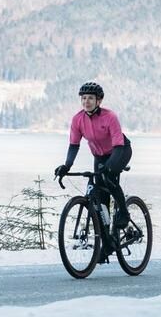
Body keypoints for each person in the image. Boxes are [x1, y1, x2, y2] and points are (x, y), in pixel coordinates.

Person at [54, 82, 133, 254]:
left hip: (120, 150)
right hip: (99, 155)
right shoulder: (77, 120)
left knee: (108, 178)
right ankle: (106, 244)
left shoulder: (109, 116)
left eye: (90, 98)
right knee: (101, 198)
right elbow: (74, 145)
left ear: (99, 100)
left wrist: (110, 166)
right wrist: (66, 166)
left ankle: (124, 214)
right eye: (83, 98)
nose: (86, 101)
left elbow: (118, 144)